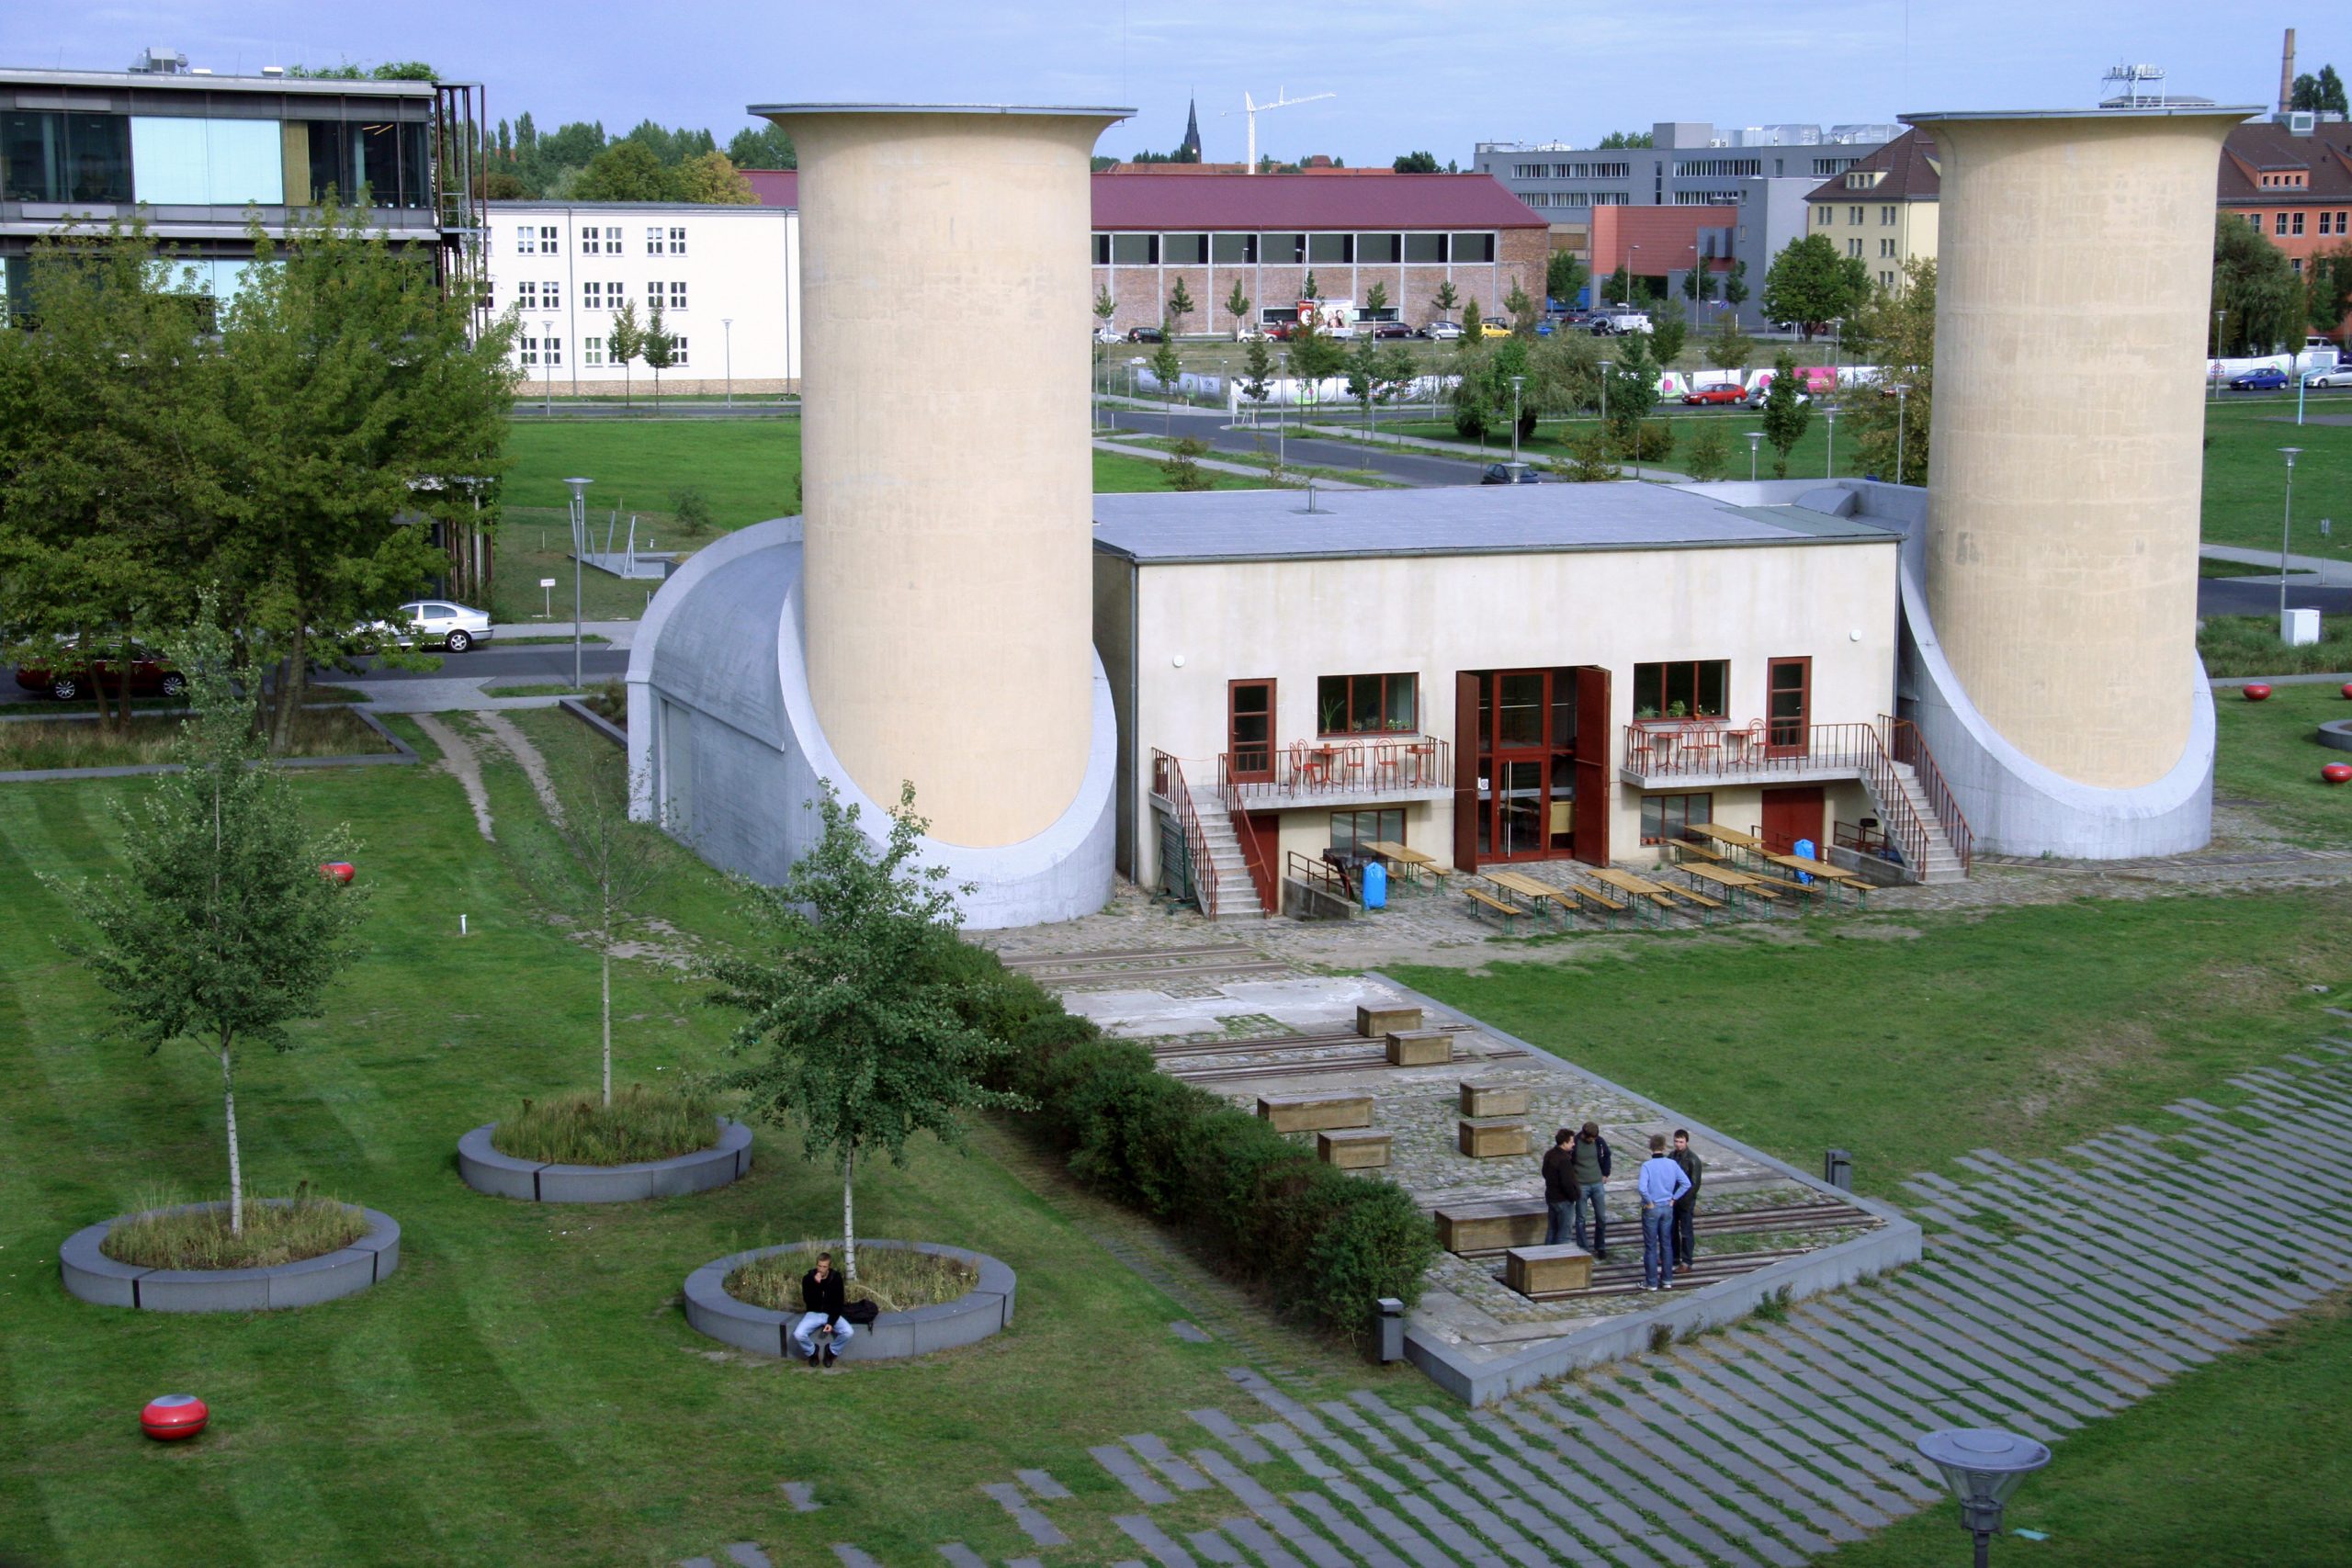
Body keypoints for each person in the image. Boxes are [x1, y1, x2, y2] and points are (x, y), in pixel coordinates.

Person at [1636, 1134, 1694, 1291]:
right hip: (1667, 1207)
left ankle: (1651, 1282)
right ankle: (1667, 1280)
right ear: (1663, 1147)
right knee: (1667, 1244)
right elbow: (1686, 1183)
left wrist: (1648, 1202)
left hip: (1652, 1207)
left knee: (1651, 1246)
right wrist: (1674, 1198)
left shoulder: (1647, 1166)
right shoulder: (1672, 1164)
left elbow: (1642, 1188)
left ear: (1651, 1147)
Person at [795, 1250, 853, 1367]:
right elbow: (808, 1300)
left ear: (829, 1267)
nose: (821, 1269)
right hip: (813, 1313)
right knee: (798, 1334)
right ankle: (812, 1352)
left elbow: (839, 1302)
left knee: (848, 1332)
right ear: (816, 1265)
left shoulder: (836, 1278)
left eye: (824, 1267)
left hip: (831, 1313)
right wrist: (816, 1284)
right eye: (819, 1266)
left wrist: (831, 1322)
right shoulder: (808, 1278)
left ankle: (831, 1351)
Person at [1568, 1120, 1612, 1258]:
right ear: (1584, 1135)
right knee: (1581, 1218)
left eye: (1595, 1138)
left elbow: (1607, 1155)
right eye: (1591, 1138)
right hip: (1581, 1185)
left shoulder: (1599, 1142)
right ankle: (1583, 1247)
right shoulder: (1575, 1143)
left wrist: (1605, 1173)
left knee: (1601, 1217)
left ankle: (1600, 1246)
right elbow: (1567, 1161)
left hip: (1597, 1184)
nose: (1593, 1140)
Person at [1669, 1128, 1704, 1272]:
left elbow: (1694, 1184)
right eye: (1676, 1141)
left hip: (1685, 1202)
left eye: (1681, 1142)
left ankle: (1687, 1261)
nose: (1678, 1144)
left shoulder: (1693, 1160)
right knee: (1671, 1229)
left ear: (1686, 1142)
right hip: (1673, 1200)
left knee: (1686, 1232)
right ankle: (1674, 1256)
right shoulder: (1672, 1156)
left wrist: (1683, 1200)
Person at [1541, 1127, 1580, 1246]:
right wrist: (1574, 1196)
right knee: (1564, 1234)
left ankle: (1546, 1254)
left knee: (1552, 1230)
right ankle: (1560, 1255)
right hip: (1563, 1200)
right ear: (1564, 1143)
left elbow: (1544, 1172)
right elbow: (1567, 1183)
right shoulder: (1564, 1160)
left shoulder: (1549, 1154)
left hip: (1551, 1198)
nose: (1574, 1144)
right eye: (1572, 1142)